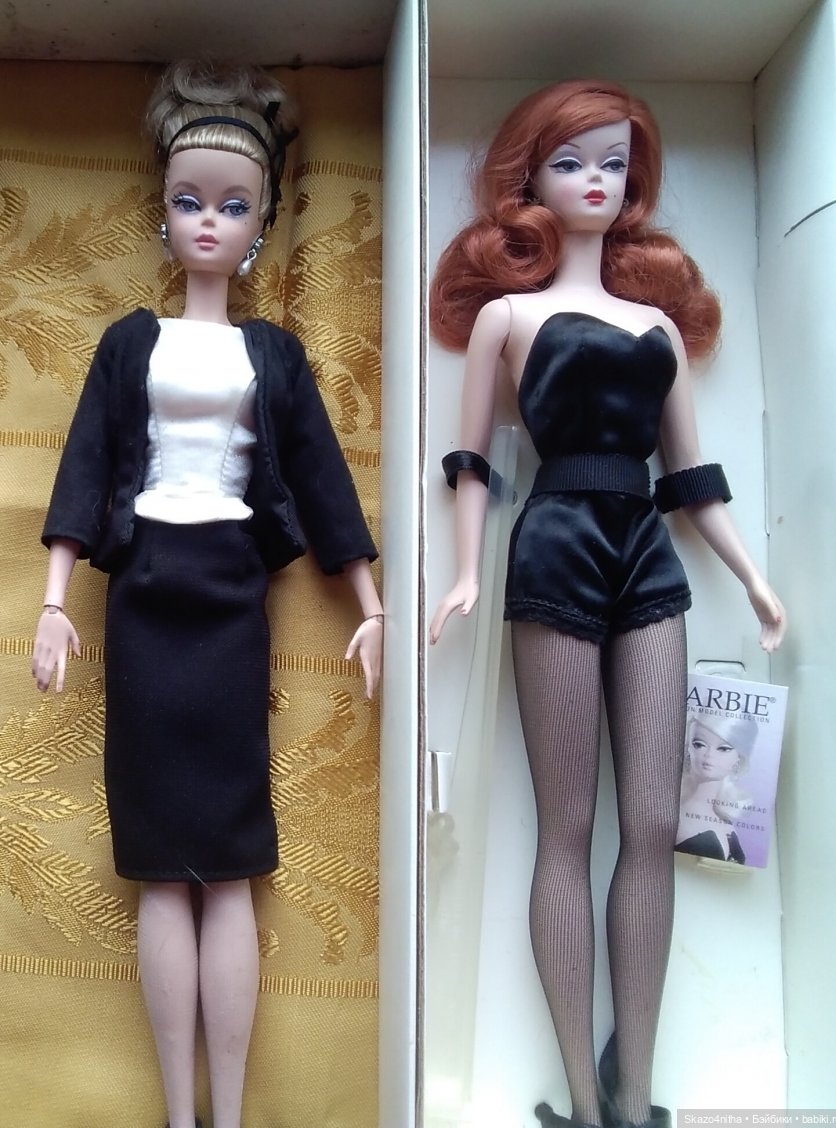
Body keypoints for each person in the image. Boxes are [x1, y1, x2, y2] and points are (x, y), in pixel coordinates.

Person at [30, 59, 383, 1128]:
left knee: (227, 863)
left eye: (233, 205)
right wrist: (53, 601)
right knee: (157, 862)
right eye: (191, 201)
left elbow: (321, 478)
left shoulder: (273, 353)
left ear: (263, 223)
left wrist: (369, 605)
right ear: (164, 211)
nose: (209, 222)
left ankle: (226, 1114)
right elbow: (85, 465)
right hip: (143, 597)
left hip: (231, 596)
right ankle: (179, 1116)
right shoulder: (127, 344)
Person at [428, 80, 785, 1128]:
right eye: (571, 161)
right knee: (567, 826)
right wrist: (465, 570)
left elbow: (691, 478)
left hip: (645, 555)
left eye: (614, 163)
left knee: (655, 820)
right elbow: (471, 461)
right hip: (553, 548)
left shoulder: (657, 328)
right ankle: (582, 1102)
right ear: (530, 178)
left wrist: (750, 575)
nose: (595, 180)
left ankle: (635, 1091)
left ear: (634, 183)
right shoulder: (507, 317)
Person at [675, 714, 759, 864]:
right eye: (699, 744)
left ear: (739, 757)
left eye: (723, 748)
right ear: (689, 748)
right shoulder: (676, 814)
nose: (709, 755)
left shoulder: (724, 818)